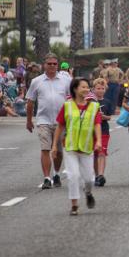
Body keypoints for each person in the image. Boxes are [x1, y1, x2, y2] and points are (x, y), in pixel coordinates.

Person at [51, 77, 102, 216]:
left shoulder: (94, 106)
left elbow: (97, 124)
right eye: (83, 87)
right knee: (73, 176)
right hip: (71, 147)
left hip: (87, 148)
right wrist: (54, 145)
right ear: (75, 89)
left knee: (90, 179)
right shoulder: (67, 106)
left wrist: (98, 141)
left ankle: (88, 192)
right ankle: (74, 205)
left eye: (87, 87)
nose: (86, 89)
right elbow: (60, 126)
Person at [26, 53, 71, 189]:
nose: (52, 66)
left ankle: (56, 174)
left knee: (58, 151)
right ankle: (46, 178)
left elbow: (71, 99)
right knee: (45, 149)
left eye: (54, 64)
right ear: (44, 65)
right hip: (43, 120)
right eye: (49, 63)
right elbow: (30, 102)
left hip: (60, 122)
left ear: (58, 65)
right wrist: (29, 121)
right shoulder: (36, 81)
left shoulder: (65, 81)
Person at [93, 78, 114, 187]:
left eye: (102, 88)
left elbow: (109, 117)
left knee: (102, 152)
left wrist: (103, 116)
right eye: (98, 88)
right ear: (93, 89)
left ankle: (101, 175)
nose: (100, 90)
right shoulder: (90, 101)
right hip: (91, 131)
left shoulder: (107, 102)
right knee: (95, 154)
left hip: (104, 130)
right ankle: (96, 175)